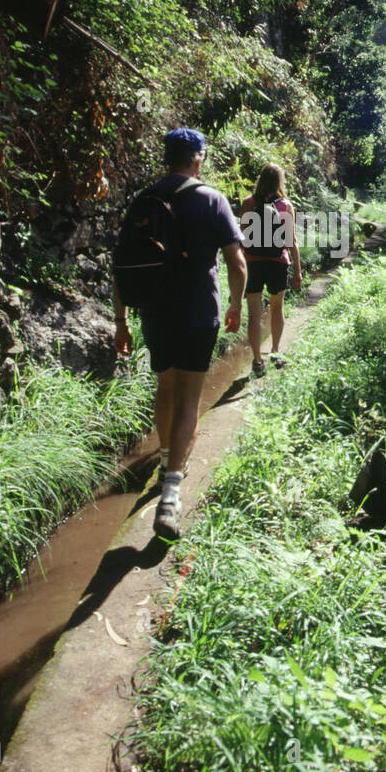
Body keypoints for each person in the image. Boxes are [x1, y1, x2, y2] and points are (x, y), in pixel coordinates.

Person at [113, 128, 246, 539]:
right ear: (198, 158)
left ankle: (168, 456)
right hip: (197, 313)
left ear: (167, 157)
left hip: (154, 314)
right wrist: (237, 304)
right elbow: (237, 263)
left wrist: (121, 322)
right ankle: (171, 492)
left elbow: (119, 266)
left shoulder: (143, 200)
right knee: (190, 397)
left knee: (165, 387)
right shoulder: (211, 199)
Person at [240, 164, 302, 378]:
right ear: (280, 182)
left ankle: (257, 360)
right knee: (277, 308)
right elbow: (291, 240)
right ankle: (275, 352)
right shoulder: (285, 205)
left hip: (253, 263)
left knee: (254, 314)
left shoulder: (248, 203)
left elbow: (242, 238)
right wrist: (298, 271)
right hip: (278, 262)